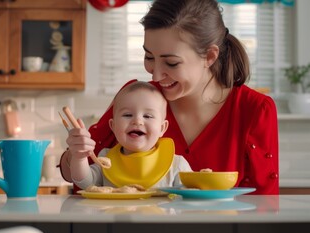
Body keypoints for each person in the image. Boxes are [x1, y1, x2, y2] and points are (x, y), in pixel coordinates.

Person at [60, 0, 279, 195]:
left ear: (210, 56)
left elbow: (263, 203)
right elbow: (83, 180)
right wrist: (74, 153)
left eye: (171, 63)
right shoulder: (137, 97)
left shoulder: (255, 109)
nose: (154, 74)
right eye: (149, 57)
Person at [69, 81, 192, 191]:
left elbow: (188, 199)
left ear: (162, 128)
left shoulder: (176, 165)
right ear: (113, 126)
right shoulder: (106, 159)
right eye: (127, 115)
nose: (137, 121)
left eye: (148, 116)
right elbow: (85, 183)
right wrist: (79, 157)